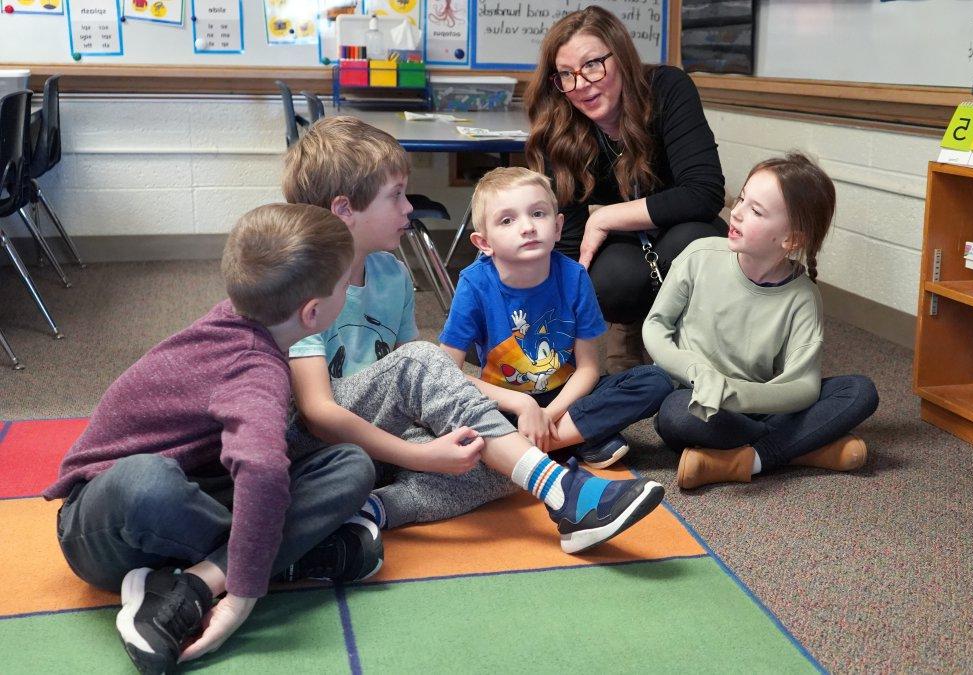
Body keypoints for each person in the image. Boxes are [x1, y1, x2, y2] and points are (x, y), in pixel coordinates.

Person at [284, 116, 666, 554]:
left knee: (486, 457)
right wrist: (420, 457)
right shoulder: (306, 283)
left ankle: (373, 510)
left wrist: (511, 411)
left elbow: (428, 381)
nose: (409, 208)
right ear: (344, 210)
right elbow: (318, 413)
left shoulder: (392, 272)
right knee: (440, 380)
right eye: (396, 196)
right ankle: (563, 492)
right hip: (323, 442)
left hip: (387, 434)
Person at [44, 204, 377, 673]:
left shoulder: (238, 317)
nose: (349, 290)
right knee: (148, 480)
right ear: (313, 312)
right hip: (99, 528)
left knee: (350, 464)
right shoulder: (254, 368)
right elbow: (260, 469)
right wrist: (241, 599)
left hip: (188, 499)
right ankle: (268, 566)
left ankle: (189, 585)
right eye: (345, 285)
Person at [643, 153, 880, 489]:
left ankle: (748, 459)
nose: (736, 212)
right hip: (701, 401)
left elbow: (802, 387)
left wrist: (738, 395)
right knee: (675, 416)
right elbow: (655, 326)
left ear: (792, 240)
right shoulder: (699, 256)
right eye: (741, 199)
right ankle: (803, 449)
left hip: (757, 402)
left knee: (860, 392)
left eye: (755, 211)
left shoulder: (802, 297)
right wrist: (698, 372)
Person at [525, 5, 726, 373]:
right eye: (565, 74)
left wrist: (607, 217)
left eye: (592, 65)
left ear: (621, 56)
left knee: (695, 247)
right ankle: (630, 325)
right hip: (627, 242)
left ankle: (690, 341)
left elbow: (704, 192)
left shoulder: (667, 88)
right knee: (608, 281)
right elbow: (568, 239)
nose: (581, 84)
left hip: (682, 222)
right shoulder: (560, 124)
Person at [439, 167, 674, 469]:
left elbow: (588, 369)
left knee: (654, 380)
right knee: (454, 413)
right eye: (507, 220)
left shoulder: (574, 276)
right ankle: (578, 439)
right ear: (484, 243)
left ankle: (533, 445)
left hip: (566, 400)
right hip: (505, 404)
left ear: (558, 226)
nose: (527, 227)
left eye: (538, 214)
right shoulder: (474, 284)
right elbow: (448, 374)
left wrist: (547, 416)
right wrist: (523, 406)